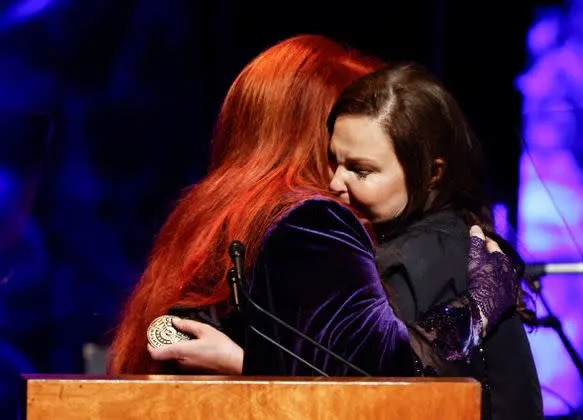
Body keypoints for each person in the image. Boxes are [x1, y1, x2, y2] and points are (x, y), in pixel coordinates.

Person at [109, 35, 519, 377]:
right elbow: (389, 375)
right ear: (317, 131)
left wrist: (247, 362)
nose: (338, 178)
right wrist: (481, 302)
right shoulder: (310, 219)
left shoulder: (212, 216)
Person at [327, 63, 542, 419]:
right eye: (332, 160)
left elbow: (378, 382)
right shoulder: (453, 233)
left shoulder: (421, 255)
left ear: (432, 173)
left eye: (360, 171)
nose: (335, 182)